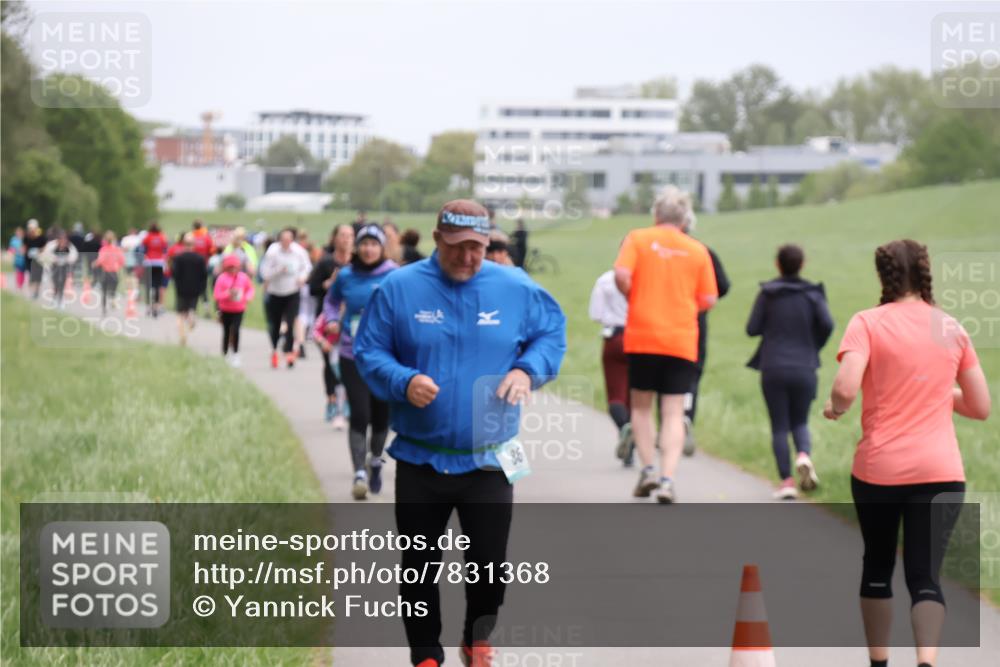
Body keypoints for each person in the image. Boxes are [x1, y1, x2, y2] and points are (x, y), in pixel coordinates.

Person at [353, 199, 566, 667]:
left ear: (489, 243)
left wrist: (528, 370)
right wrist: (403, 381)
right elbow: (368, 350)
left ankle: (477, 638)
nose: (468, 257)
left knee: (489, 567)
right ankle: (426, 655)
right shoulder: (399, 289)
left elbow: (551, 333)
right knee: (419, 568)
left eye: (478, 247)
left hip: (489, 458)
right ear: (436, 240)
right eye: (458, 248)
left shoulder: (514, 287)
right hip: (419, 457)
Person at [823, 239, 990, 667]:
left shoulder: (867, 322)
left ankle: (879, 663)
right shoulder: (950, 327)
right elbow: (980, 406)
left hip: (881, 471)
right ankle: (926, 662)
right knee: (925, 576)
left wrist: (837, 408)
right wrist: (935, 390)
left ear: (883, 275)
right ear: (925, 271)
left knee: (877, 565)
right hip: (941, 471)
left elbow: (844, 386)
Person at [614, 186, 718, 504]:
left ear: (656, 215)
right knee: (673, 412)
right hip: (681, 339)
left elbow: (620, 274)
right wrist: (684, 307)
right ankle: (668, 479)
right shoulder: (697, 250)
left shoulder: (638, 238)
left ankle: (646, 469)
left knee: (641, 407)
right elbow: (709, 298)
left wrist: (634, 296)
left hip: (643, 334)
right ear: (685, 219)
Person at [746, 244, 833, 500]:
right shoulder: (813, 295)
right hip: (805, 365)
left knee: (779, 426)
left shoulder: (768, 294)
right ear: (803, 264)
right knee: (801, 421)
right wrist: (813, 343)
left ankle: (786, 482)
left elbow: (752, 328)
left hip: (773, 366)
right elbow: (828, 324)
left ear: (777, 264)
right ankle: (804, 455)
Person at [323, 224, 398, 499]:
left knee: (381, 417)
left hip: (385, 357)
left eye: (373, 244)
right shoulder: (346, 275)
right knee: (360, 414)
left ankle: (375, 461)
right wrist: (332, 320)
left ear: (381, 247)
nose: (368, 249)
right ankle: (359, 473)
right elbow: (330, 302)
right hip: (351, 353)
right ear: (358, 247)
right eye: (364, 244)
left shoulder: (394, 274)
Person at [681, 209, 730, 456]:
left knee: (664, 374)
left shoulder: (656, 249)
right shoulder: (703, 251)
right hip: (696, 321)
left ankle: (666, 426)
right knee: (692, 373)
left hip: (662, 319)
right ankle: (686, 415)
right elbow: (723, 285)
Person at [309, 224, 354, 424]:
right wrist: (329, 284)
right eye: (342, 235)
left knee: (348, 363)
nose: (346, 239)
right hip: (327, 321)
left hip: (352, 320)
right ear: (335, 238)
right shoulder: (325, 262)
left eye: (350, 236)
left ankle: (346, 402)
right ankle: (331, 399)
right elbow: (312, 288)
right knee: (330, 364)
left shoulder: (358, 264)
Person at [588, 267, 634, 466]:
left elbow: (596, 314)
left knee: (616, 396)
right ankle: (633, 433)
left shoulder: (605, 279)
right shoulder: (646, 277)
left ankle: (625, 430)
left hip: (614, 336)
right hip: (641, 339)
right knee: (636, 397)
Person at [260, 228, 311, 368]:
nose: (286, 243)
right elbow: (265, 273)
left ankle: (289, 352)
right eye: (284, 240)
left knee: (290, 321)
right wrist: (278, 270)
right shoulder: (273, 252)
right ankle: (275, 349)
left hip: (292, 291)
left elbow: (306, 267)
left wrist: (302, 278)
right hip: (275, 291)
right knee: (275, 324)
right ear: (280, 240)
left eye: (289, 240)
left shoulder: (299, 251)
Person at [214, 253, 255, 367]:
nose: (233, 269)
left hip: (239, 308)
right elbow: (217, 295)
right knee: (226, 331)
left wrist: (247, 297)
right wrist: (228, 294)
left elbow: (250, 289)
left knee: (236, 330)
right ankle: (225, 352)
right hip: (225, 309)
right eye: (230, 267)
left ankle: (236, 353)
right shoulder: (222, 278)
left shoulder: (243, 277)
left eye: (234, 267)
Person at [171, 234, 209, 346]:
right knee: (191, 308)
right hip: (195, 288)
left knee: (180, 313)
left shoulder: (178, 258)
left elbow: (175, 274)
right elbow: (204, 275)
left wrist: (177, 284)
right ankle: (192, 316)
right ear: (193, 245)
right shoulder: (200, 259)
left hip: (181, 288)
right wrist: (202, 288)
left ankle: (182, 335)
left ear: (183, 244)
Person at [40, 230, 79, 309]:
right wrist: (54, 259)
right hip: (54, 267)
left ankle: (61, 300)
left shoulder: (70, 247)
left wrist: (68, 259)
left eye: (64, 240)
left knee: (62, 283)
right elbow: (46, 254)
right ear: (58, 240)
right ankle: (55, 299)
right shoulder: (52, 245)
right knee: (55, 283)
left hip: (64, 267)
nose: (63, 242)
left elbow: (74, 255)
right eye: (61, 240)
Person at [92, 231, 125, 315]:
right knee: (113, 289)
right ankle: (112, 299)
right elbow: (122, 261)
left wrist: (94, 264)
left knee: (104, 291)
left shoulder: (103, 249)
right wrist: (118, 265)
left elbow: (100, 260)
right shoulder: (117, 249)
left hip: (105, 272)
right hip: (114, 272)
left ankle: (104, 308)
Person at [141, 222, 168, 317]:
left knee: (149, 284)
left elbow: (143, 249)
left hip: (149, 262)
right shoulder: (162, 237)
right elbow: (165, 249)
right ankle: (156, 306)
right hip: (159, 263)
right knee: (158, 284)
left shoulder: (147, 237)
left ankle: (149, 306)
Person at [24, 219, 48, 299]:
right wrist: (27, 251)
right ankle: (31, 292)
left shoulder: (41, 237)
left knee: (37, 277)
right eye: (30, 229)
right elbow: (24, 247)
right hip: (29, 260)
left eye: (33, 228)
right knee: (31, 276)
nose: (31, 230)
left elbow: (45, 246)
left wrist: (38, 251)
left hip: (39, 259)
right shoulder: (26, 237)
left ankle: (36, 291)